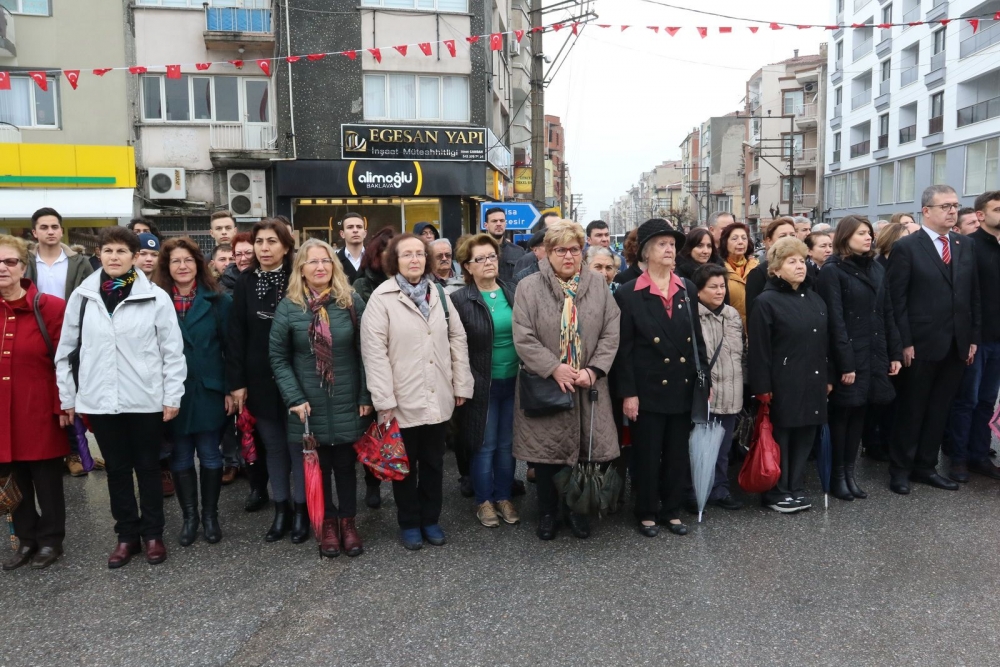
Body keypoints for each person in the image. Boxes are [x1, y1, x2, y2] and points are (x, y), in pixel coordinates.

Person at [55, 226, 186, 568]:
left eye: (121, 252)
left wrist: (172, 395)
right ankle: (126, 536)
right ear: (99, 254)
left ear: (134, 257)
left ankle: (153, 534)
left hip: (145, 398)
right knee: (116, 470)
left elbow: (172, 351)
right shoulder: (83, 297)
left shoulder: (155, 296)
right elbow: (66, 350)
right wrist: (67, 396)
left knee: (148, 467)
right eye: (108, 251)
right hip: (99, 399)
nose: (114, 257)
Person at [360, 233, 474, 550]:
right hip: (401, 399)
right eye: (406, 254)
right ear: (394, 260)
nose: (414, 259)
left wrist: (461, 384)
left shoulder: (438, 293)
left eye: (419, 254)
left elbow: (457, 340)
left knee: (435, 463)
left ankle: (431, 519)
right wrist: (384, 401)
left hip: (438, 394)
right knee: (405, 466)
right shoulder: (382, 298)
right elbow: (374, 354)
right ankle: (409, 522)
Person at [512, 221, 620, 541]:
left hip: (588, 385)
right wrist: (553, 368)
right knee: (546, 457)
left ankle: (578, 510)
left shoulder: (598, 286)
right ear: (547, 253)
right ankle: (547, 513)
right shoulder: (528, 287)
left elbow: (611, 332)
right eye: (560, 250)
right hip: (548, 384)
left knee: (585, 452)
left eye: (574, 249)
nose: (568, 256)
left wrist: (594, 370)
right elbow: (523, 336)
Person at [270, 239, 372, 558]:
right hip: (307, 403)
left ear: (334, 266)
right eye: (312, 262)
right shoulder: (289, 306)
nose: (320, 267)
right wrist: (294, 397)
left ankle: (349, 524)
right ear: (301, 269)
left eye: (326, 261)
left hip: (346, 397)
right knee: (318, 467)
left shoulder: (350, 301)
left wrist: (365, 394)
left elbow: (366, 351)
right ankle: (327, 525)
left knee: (345, 465)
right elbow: (278, 356)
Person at [886, 185, 980, 495]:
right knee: (912, 409)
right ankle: (900, 468)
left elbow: (972, 296)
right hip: (920, 342)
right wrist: (903, 342)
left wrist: (972, 338)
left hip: (956, 342)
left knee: (940, 408)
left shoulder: (964, 245)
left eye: (955, 205)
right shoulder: (908, 247)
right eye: (945, 206)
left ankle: (925, 466)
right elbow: (896, 300)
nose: (953, 211)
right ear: (926, 211)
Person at [615, 219, 703, 537]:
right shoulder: (629, 293)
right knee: (648, 453)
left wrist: (702, 381)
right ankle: (647, 510)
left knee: (678, 452)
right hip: (647, 387)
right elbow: (623, 351)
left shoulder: (687, 288)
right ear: (647, 252)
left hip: (682, 384)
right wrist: (628, 393)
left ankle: (672, 509)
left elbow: (697, 340)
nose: (670, 250)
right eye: (663, 244)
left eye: (672, 245)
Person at [153, 237, 233, 546]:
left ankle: (210, 517)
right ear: (167, 266)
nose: (182, 266)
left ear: (198, 264)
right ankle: (190, 518)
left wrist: (230, 389)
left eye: (188, 260)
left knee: (211, 454)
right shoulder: (156, 300)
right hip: (173, 394)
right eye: (175, 261)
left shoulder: (218, 300)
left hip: (210, 390)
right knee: (181, 454)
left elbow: (231, 349)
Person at [817, 216, 902, 502]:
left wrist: (894, 353)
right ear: (845, 237)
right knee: (843, 414)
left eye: (869, 233)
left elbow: (886, 312)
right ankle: (836, 476)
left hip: (873, 351)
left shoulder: (876, 268)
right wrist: (846, 363)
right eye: (861, 233)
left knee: (861, 413)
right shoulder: (833, 271)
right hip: (849, 354)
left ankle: (850, 474)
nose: (868, 238)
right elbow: (835, 321)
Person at [0, 235, 69, 570]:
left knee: (46, 480)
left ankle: (51, 540)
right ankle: (25, 539)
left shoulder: (51, 307)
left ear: (23, 267)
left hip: (38, 409)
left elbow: (66, 361)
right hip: (2, 414)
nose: (2, 268)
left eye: (9, 261)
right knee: (11, 480)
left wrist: (62, 405)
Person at [748, 237, 832, 513]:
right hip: (783, 381)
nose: (800, 266)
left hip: (814, 377)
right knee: (781, 436)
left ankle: (795, 487)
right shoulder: (766, 301)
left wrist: (828, 376)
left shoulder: (815, 298)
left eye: (802, 260)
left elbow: (825, 342)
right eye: (791, 261)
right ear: (775, 269)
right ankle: (776, 491)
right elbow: (759, 349)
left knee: (806, 434)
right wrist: (762, 387)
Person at [228, 219, 299, 537]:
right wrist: (238, 382)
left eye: (272, 241)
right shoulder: (245, 281)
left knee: (298, 445)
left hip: (298, 375)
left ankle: (303, 508)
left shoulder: (299, 276)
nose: (265, 248)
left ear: (286, 245)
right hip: (259, 376)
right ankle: (281, 507)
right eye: (259, 242)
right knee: (273, 445)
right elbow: (236, 334)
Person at [451, 234, 521, 528]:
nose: (488, 263)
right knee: (485, 445)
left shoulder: (513, 291)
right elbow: (454, 347)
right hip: (482, 384)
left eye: (492, 256)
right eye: (480, 259)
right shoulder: (459, 300)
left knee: (508, 445)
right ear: (467, 266)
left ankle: (504, 496)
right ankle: (484, 501)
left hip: (515, 381)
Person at [23, 208, 95, 478]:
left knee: (73, 391)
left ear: (61, 231)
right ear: (35, 232)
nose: (50, 231)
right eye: (44, 227)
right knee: (44, 394)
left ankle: (78, 452)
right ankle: (55, 451)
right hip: (36, 331)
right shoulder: (25, 261)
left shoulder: (79, 262)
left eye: (55, 226)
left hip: (73, 331)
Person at [944, 191, 1000, 481]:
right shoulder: (967, 246)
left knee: (988, 401)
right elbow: (965, 297)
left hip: (998, 340)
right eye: (997, 209)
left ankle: (980, 455)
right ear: (980, 215)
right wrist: (969, 339)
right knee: (967, 399)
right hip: (976, 337)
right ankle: (958, 458)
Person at [692, 263, 745, 511]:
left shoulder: (733, 315)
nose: (719, 291)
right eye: (712, 287)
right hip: (706, 393)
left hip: (732, 391)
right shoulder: (691, 316)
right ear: (699, 291)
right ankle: (696, 488)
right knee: (700, 446)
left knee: (723, 447)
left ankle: (720, 489)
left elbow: (740, 354)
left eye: (722, 286)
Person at [745, 217, 798, 315]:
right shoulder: (758, 273)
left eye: (792, 235)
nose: (789, 239)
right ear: (769, 241)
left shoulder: (806, 268)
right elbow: (755, 315)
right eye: (783, 236)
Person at [719, 222, 758, 329]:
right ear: (725, 242)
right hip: (728, 330)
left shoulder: (756, 267)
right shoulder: (719, 269)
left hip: (754, 329)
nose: (740, 242)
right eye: (734, 239)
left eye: (744, 238)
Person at [351, 227, 395, 304]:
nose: (394, 255)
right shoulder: (362, 285)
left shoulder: (407, 280)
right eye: (389, 250)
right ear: (376, 254)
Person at [511, 211, 561, 278]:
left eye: (561, 229)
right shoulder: (526, 261)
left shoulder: (568, 256)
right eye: (554, 229)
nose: (558, 233)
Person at [485, 207, 527, 283]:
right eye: (494, 221)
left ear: (505, 224)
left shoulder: (518, 251)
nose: (498, 224)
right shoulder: (477, 251)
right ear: (486, 225)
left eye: (502, 221)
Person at [336, 212, 367, 284]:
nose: (355, 230)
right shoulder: (335, 261)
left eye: (359, 227)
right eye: (350, 227)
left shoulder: (376, 259)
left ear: (365, 233)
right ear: (342, 234)